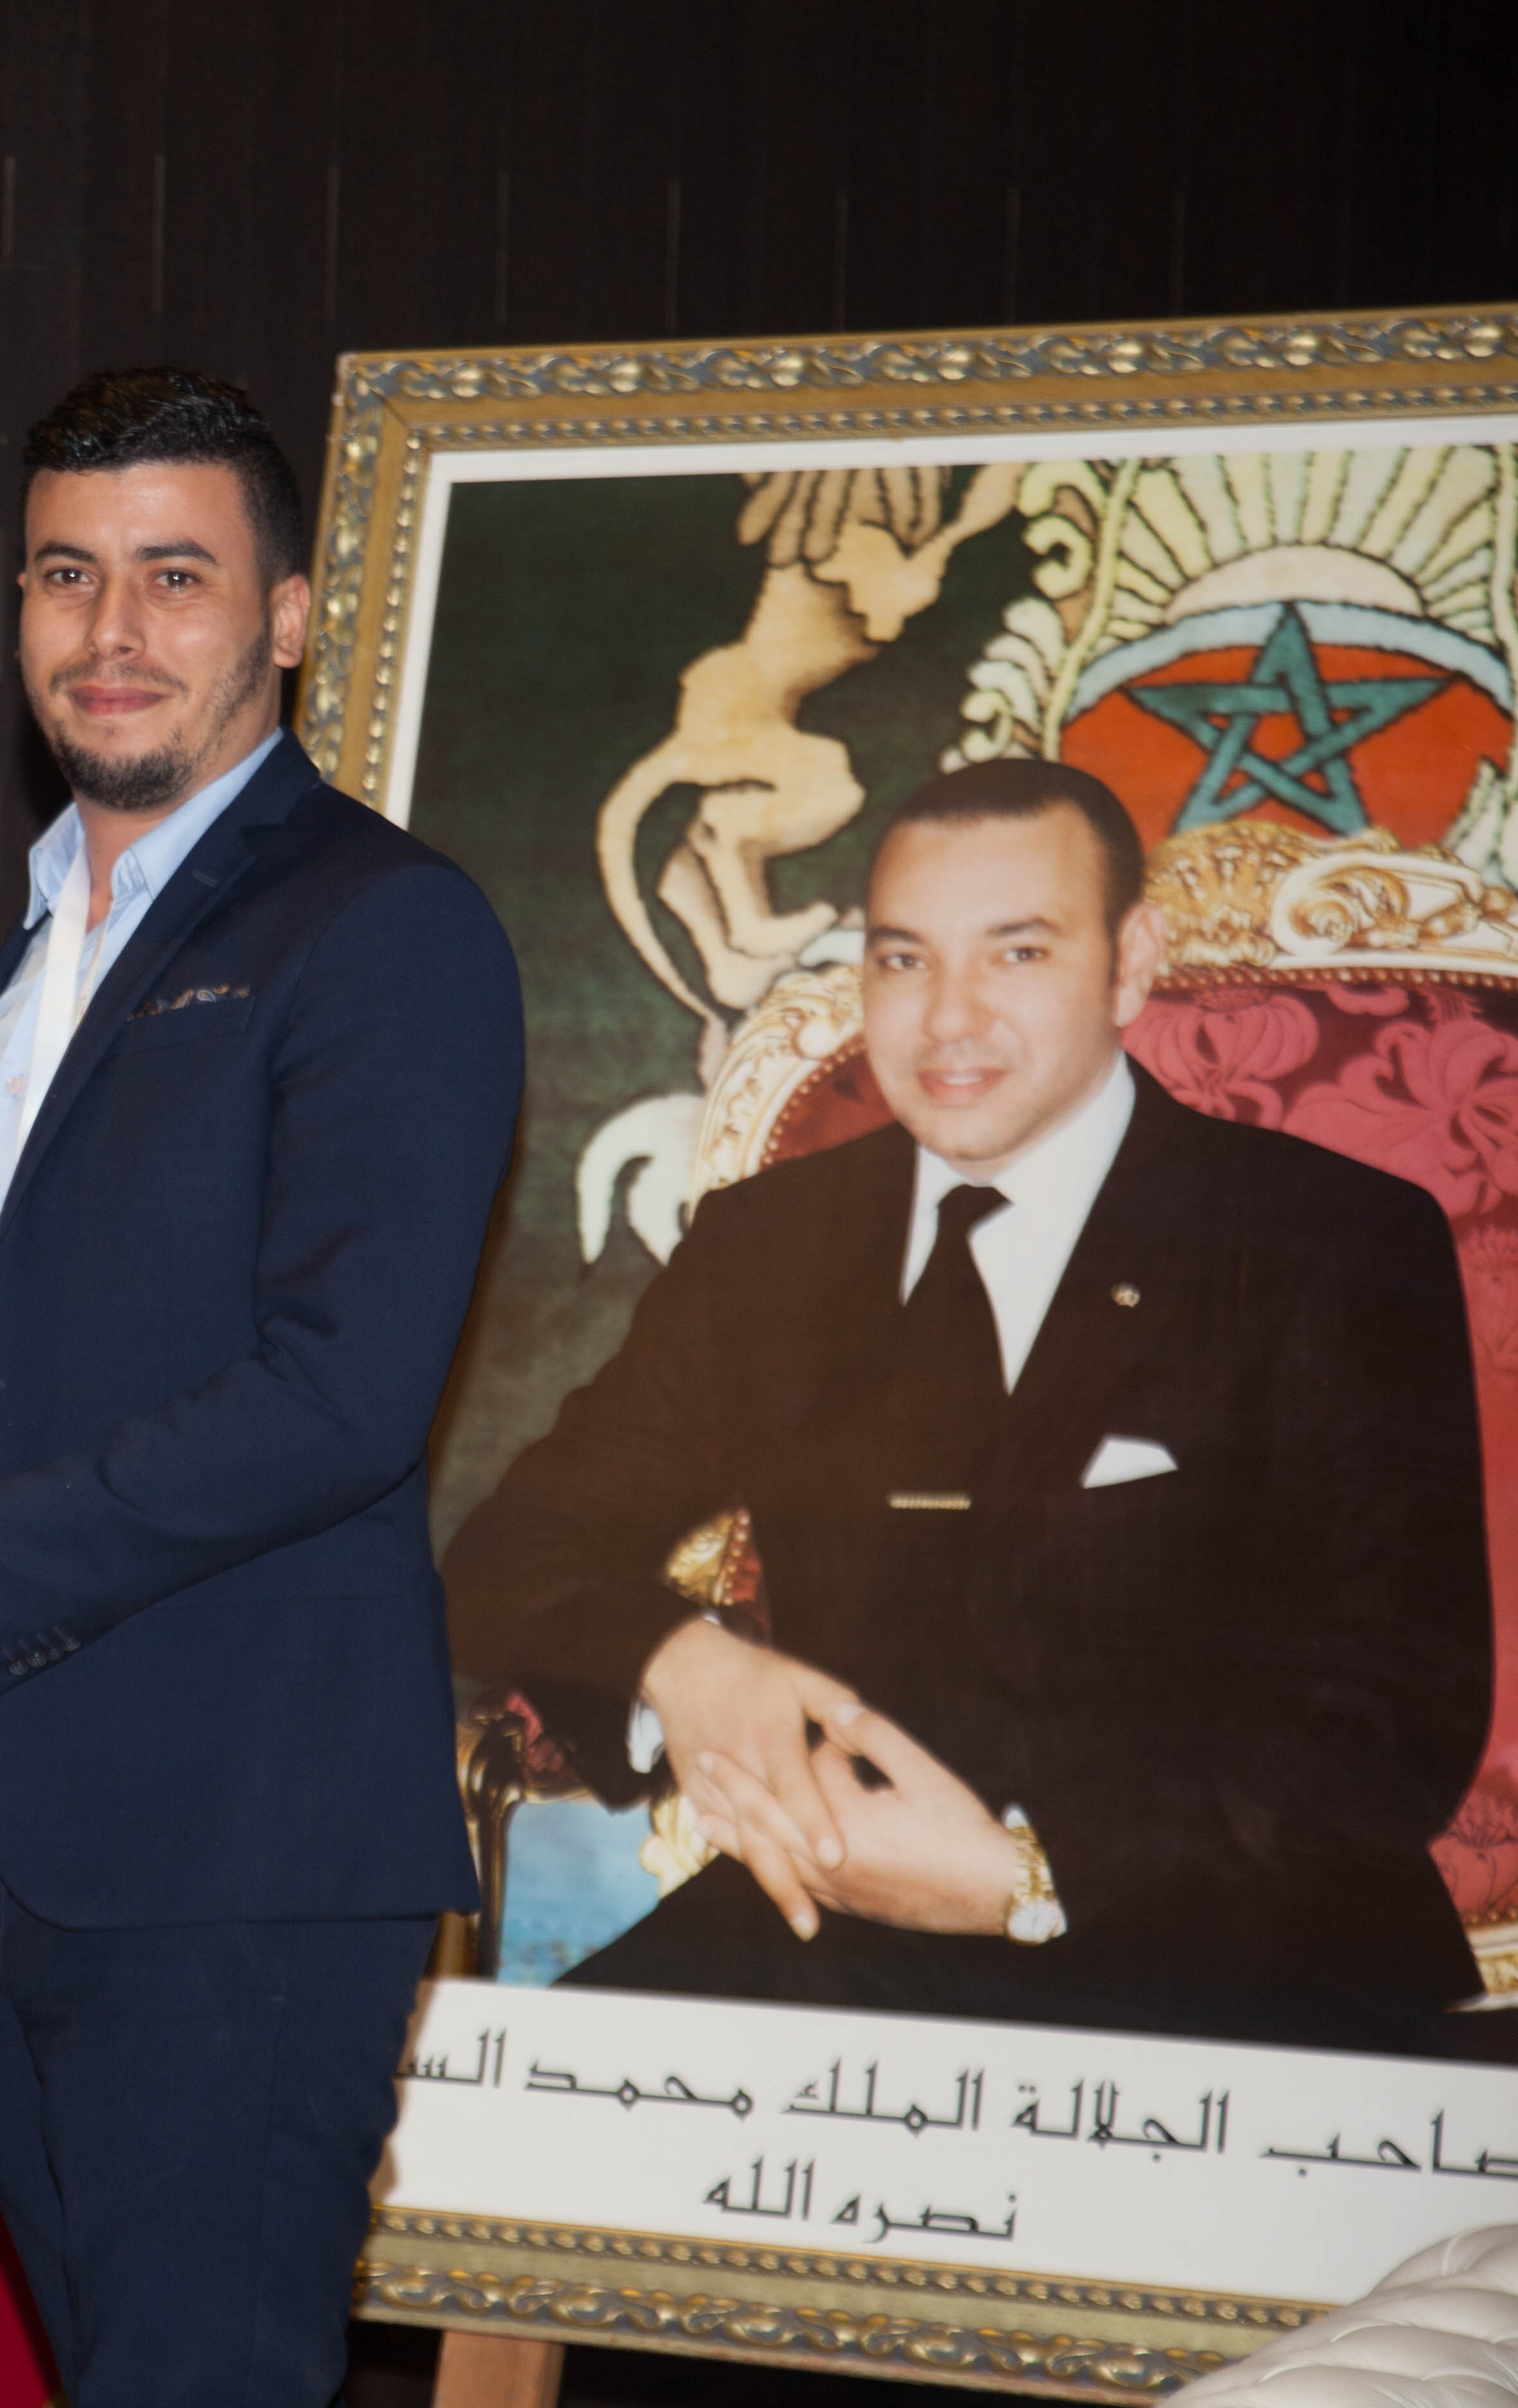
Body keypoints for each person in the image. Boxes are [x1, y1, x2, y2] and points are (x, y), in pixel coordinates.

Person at [0, 369, 526, 2405]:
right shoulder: (50, 935)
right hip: (22, 1850)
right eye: (67, 575)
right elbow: (117, 1345)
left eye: (176, 574)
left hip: (236, 1874)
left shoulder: (385, 927)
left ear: (292, 616)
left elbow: (337, 1400)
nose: (112, 629)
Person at [446, 760, 1492, 2056]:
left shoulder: (1327, 1240)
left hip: (1229, 1955)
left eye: (1017, 954)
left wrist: (1029, 1880)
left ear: (1129, 965)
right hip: (825, 1930)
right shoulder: (773, 1243)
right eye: (904, 960)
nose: (949, 1019)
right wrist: (683, 1664)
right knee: (482, 2140)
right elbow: (508, 1552)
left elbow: (1395, 1722)